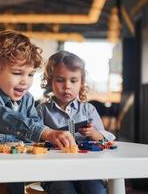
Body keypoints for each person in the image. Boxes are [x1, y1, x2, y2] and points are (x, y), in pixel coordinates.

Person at [0, 31, 75, 194]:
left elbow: (32, 140)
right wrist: (43, 132)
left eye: (30, 74)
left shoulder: (28, 100)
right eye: (17, 73)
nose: (25, 81)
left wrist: (0, 138)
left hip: (11, 178)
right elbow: (5, 117)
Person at [36, 50, 116, 194]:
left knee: (96, 191)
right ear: (49, 82)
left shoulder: (88, 109)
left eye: (73, 80)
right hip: (54, 172)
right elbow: (34, 137)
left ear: (81, 83)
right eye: (60, 80)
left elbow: (105, 139)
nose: (67, 86)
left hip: (88, 170)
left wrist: (93, 133)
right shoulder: (42, 110)